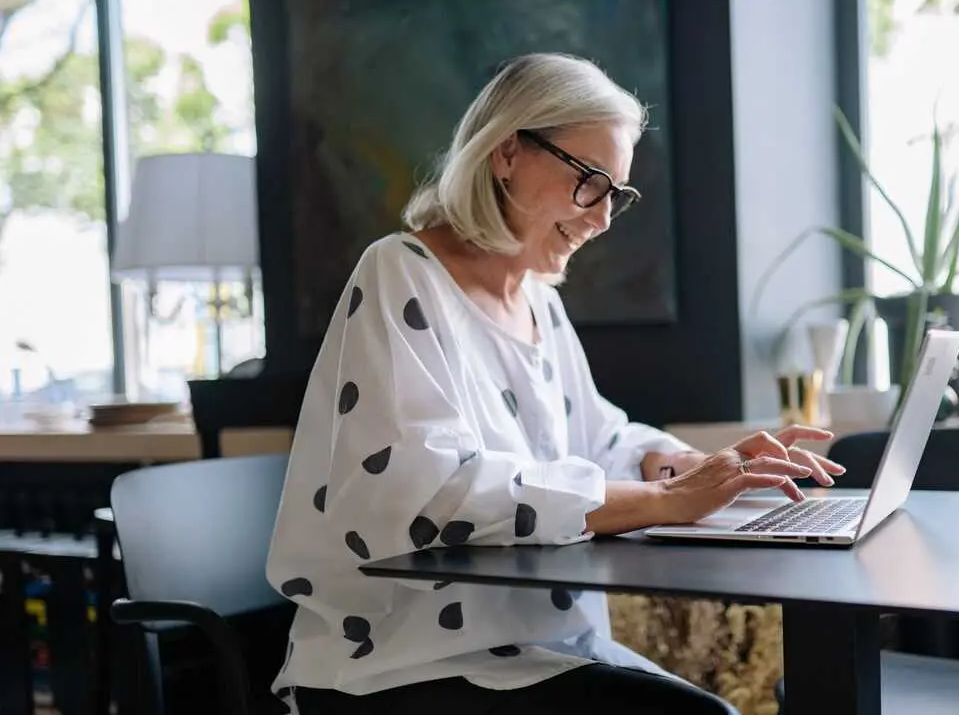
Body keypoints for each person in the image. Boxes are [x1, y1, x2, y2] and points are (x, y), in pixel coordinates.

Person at [265, 52, 844, 715]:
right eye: (589, 181)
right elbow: (431, 489)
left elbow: (594, 438)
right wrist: (663, 503)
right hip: (399, 662)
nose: (600, 217)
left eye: (615, 195)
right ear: (508, 151)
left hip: (543, 645)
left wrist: (679, 465)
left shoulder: (538, 301)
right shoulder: (401, 273)